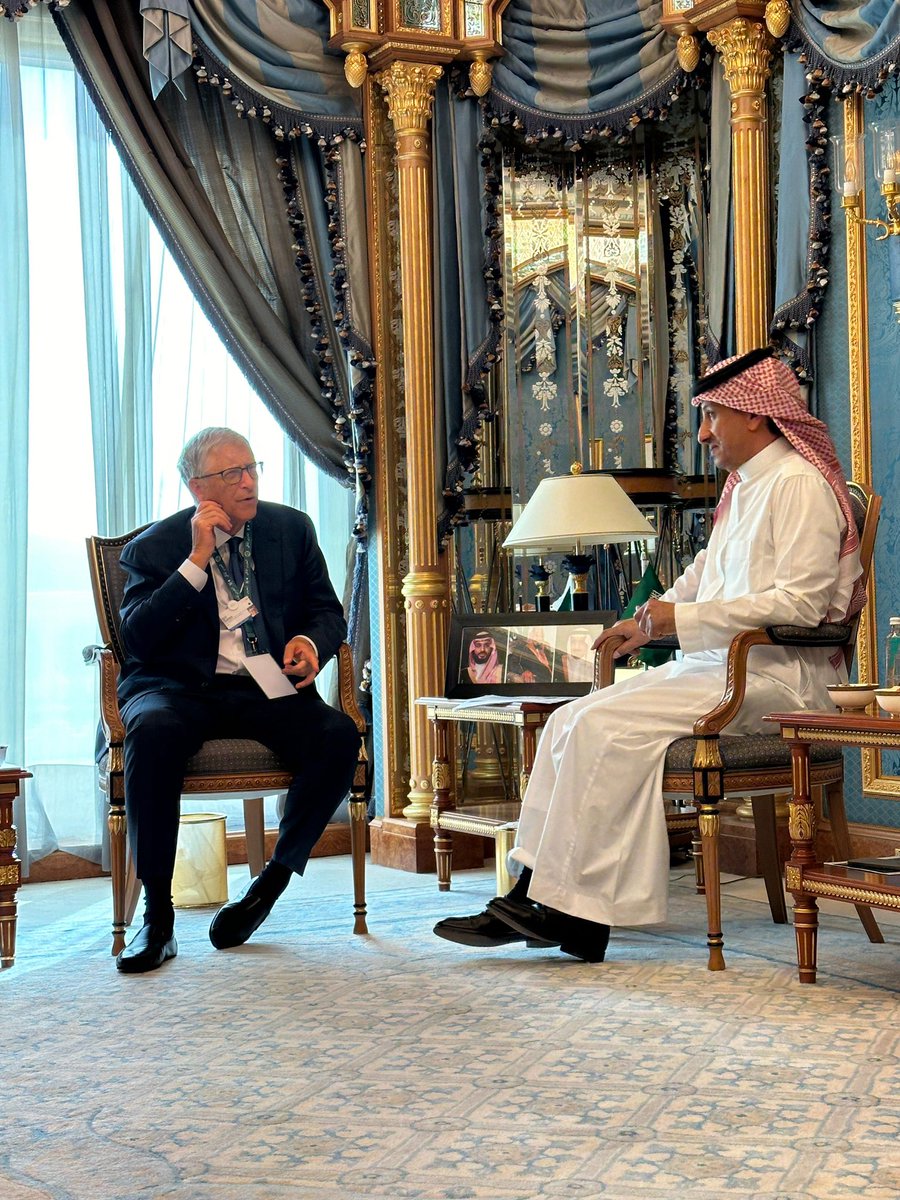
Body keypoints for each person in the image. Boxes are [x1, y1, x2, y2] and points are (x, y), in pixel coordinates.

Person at [434, 348, 865, 962]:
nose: (704, 432)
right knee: (567, 720)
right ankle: (537, 893)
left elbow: (799, 605)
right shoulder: (747, 487)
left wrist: (679, 619)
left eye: (714, 414)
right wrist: (643, 623)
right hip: (716, 669)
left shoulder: (797, 485)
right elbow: (703, 577)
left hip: (777, 680)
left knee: (603, 725)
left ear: (758, 417)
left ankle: (573, 911)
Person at [115, 427, 359, 974]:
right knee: (152, 733)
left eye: (252, 469)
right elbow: (139, 640)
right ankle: (157, 916)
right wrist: (197, 560)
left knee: (338, 736)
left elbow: (327, 612)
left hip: (261, 681)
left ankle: (268, 886)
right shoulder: (153, 549)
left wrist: (310, 643)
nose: (248, 482)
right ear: (196, 486)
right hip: (174, 687)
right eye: (232, 474)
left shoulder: (290, 530)